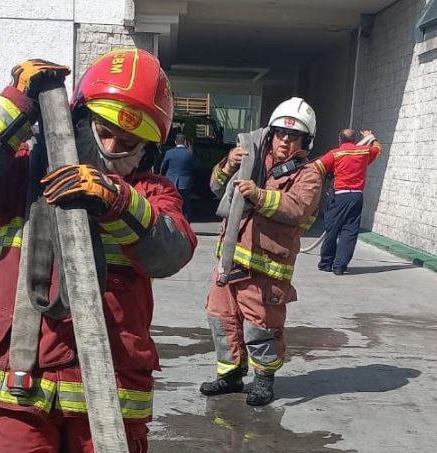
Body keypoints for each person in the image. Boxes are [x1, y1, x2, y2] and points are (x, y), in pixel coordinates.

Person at [0, 49, 196, 453]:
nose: (116, 147)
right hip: (19, 390)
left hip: (108, 403)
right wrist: (19, 101)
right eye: (105, 131)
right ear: (78, 116)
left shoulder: (151, 193)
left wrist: (115, 199)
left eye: (131, 143)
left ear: (149, 149)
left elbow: (171, 250)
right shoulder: (19, 179)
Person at [199, 97, 323, 407]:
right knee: (221, 317)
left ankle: (264, 379)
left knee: (261, 324)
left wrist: (258, 194)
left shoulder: (308, 175)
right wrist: (228, 163)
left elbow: (295, 208)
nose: (285, 141)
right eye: (281, 133)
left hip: (267, 270)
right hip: (228, 262)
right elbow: (215, 187)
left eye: (294, 137)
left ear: (306, 141)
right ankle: (230, 374)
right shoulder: (252, 158)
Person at [315, 128, 381, 274]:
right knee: (349, 232)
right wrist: (371, 137)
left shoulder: (335, 153)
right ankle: (340, 266)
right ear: (353, 140)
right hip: (357, 196)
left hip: (339, 196)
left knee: (332, 229)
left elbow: (317, 167)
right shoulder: (364, 152)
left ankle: (326, 263)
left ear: (340, 140)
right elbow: (377, 149)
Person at [159, 132, 195, 220]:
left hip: (171, 182)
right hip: (185, 184)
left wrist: (162, 177)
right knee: (185, 205)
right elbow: (194, 167)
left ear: (175, 142)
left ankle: (172, 221)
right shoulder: (189, 154)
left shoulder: (169, 153)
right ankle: (186, 224)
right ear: (185, 142)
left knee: (171, 203)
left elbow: (163, 168)